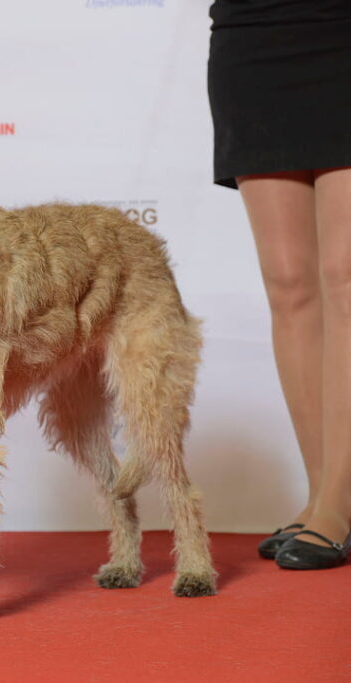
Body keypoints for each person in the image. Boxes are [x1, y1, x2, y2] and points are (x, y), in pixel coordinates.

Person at [208, 0, 351, 569]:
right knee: (289, 284)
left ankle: (338, 503)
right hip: (253, 34)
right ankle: (320, 495)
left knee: (345, 275)